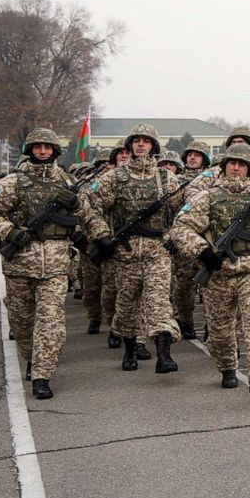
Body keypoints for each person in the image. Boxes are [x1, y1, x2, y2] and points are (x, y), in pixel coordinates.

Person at [170, 143, 250, 392]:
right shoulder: (207, 197)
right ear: (224, 166)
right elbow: (181, 228)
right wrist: (203, 251)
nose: (236, 168)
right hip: (220, 273)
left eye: (241, 164)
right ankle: (227, 366)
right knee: (220, 329)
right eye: (232, 163)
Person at [0, 129, 79, 399]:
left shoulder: (68, 183)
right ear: (29, 150)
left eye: (48, 147)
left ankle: (43, 374)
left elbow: (88, 218)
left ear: (55, 150)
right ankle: (31, 358)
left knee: (51, 321)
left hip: (56, 264)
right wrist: (9, 231)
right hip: (20, 263)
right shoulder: (13, 183)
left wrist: (77, 205)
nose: (43, 151)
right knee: (22, 322)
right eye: (38, 147)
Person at [80, 124, 183, 373]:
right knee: (127, 305)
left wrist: (173, 235)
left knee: (159, 302)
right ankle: (130, 350)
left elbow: (183, 212)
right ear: (129, 145)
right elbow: (88, 205)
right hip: (125, 252)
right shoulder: (115, 177)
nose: (140, 145)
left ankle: (164, 355)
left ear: (153, 146)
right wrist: (101, 234)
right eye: (136, 140)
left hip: (157, 251)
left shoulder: (166, 178)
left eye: (146, 141)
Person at [170, 141, 213, 341]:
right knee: (184, 285)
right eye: (189, 154)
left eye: (197, 155)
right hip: (186, 241)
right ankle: (185, 320)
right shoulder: (175, 181)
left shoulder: (213, 179)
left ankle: (211, 325)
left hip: (209, 240)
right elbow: (170, 211)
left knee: (212, 287)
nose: (192, 158)